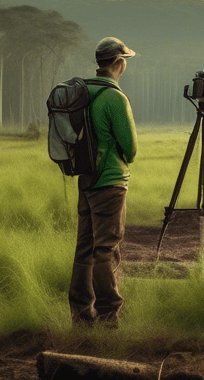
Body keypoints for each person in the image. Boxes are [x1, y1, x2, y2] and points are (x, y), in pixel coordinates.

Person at [68, 36, 138, 328]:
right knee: (106, 250)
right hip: (110, 183)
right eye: (125, 62)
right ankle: (110, 316)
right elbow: (131, 149)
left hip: (85, 181)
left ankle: (81, 316)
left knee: (84, 249)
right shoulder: (114, 97)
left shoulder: (81, 93)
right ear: (119, 63)